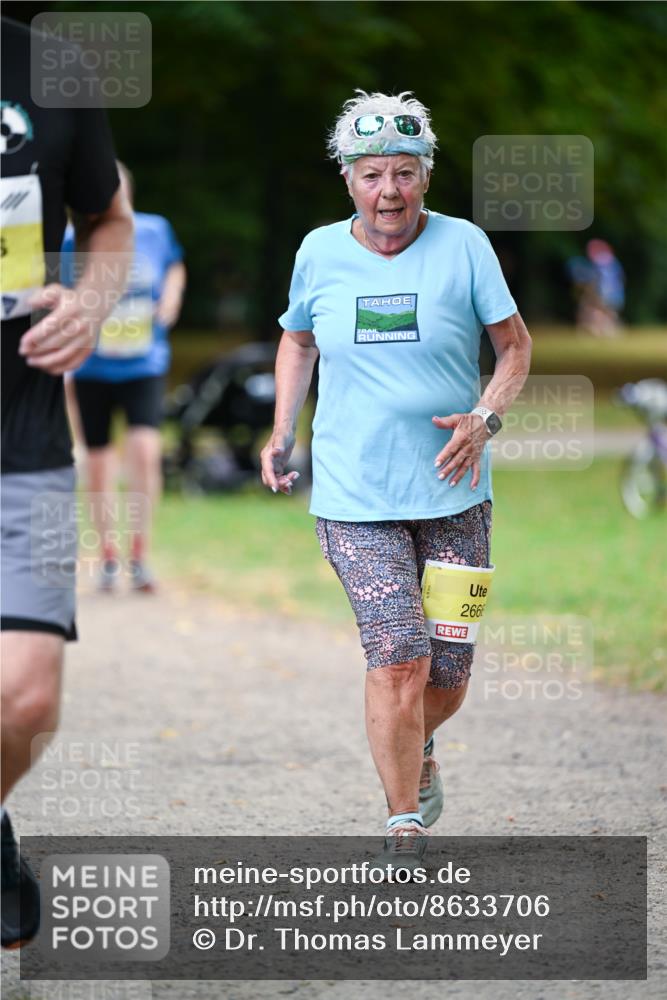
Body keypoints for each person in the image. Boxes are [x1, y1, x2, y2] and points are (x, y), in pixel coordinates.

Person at [260, 91, 532, 868]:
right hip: (355, 496)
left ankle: (419, 745)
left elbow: (513, 348)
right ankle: (402, 822)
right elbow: (297, 341)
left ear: (426, 176)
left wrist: (485, 416)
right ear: (348, 178)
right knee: (399, 654)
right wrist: (282, 429)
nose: (389, 192)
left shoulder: (465, 246)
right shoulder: (318, 251)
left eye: (404, 174)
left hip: (456, 493)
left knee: (448, 670)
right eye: (373, 174)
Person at [1, 16, 133, 947]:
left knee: (29, 695)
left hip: (26, 434)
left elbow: (108, 219)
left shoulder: (50, 68)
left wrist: (88, 305)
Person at [61, 162, 186, 593]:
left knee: (145, 452)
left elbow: (175, 266)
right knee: (97, 463)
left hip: (143, 363)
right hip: (91, 366)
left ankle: (140, 555)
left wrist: (170, 300)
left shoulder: (154, 230)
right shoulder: (71, 242)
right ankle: (108, 557)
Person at [567, 238, 625, 337]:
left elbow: (594, 280)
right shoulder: (613, 262)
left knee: (591, 310)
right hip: (615, 294)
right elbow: (621, 278)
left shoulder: (598, 263)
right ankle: (609, 330)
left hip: (603, 293)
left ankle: (599, 330)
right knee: (607, 313)